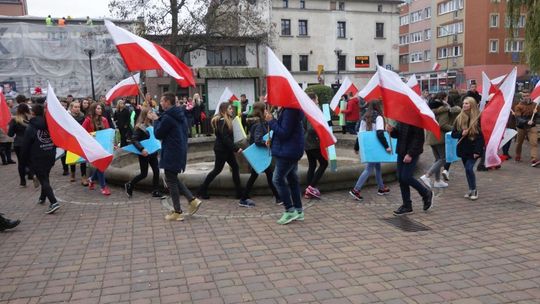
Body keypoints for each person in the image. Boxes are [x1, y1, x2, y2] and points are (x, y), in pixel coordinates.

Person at [148, 92, 201, 221]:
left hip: (172, 151)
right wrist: (159, 117)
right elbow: (167, 122)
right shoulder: (178, 114)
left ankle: (178, 211)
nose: (160, 103)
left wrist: (155, 120)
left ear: (167, 102)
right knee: (172, 178)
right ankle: (192, 200)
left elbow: (159, 134)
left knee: (171, 180)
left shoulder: (168, 118)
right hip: (179, 150)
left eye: (162, 101)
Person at [265, 105, 305, 225]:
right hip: (291, 150)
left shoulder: (289, 110)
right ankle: (298, 210)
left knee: (277, 179)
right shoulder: (289, 109)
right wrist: (272, 139)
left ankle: (289, 210)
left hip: (288, 152)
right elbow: (284, 130)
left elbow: (284, 132)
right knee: (292, 179)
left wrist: (271, 121)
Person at [197, 102, 243, 199]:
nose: (232, 110)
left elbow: (228, 139)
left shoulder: (226, 121)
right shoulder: (222, 122)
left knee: (235, 167)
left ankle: (239, 192)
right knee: (217, 170)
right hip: (221, 151)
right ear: (224, 110)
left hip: (226, 150)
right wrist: (236, 148)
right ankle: (202, 189)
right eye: (230, 109)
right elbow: (225, 139)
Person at [387, 121, 433, 216]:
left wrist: (410, 154)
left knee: (406, 177)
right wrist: (392, 131)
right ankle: (407, 205)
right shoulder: (402, 118)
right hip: (401, 151)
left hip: (411, 153)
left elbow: (419, 139)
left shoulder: (415, 120)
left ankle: (425, 193)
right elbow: (398, 134)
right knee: (400, 177)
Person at [239, 102, 281, 207]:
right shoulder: (258, 124)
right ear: (261, 111)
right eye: (265, 109)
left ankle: (278, 198)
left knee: (266, 175)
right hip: (259, 155)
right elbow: (257, 140)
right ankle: (243, 199)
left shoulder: (260, 122)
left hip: (259, 156)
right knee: (263, 175)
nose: (267, 111)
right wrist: (266, 143)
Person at [21, 104, 61, 214]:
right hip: (50, 154)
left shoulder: (31, 127)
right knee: (45, 176)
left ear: (33, 113)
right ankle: (43, 197)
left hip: (38, 157)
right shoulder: (49, 124)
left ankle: (54, 202)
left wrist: (23, 162)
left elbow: (25, 146)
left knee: (43, 179)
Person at [349, 100, 390, 201]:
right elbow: (380, 133)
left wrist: (356, 147)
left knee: (377, 167)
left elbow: (360, 134)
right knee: (369, 168)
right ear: (378, 107)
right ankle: (356, 189)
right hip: (376, 146)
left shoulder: (364, 117)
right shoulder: (379, 117)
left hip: (368, 147)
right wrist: (386, 146)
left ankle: (381, 188)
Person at [124, 108, 165, 199]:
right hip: (144, 153)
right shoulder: (140, 126)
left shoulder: (152, 124)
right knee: (144, 174)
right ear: (145, 115)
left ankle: (155, 191)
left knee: (156, 170)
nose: (152, 113)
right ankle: (130, 184)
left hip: (152, 152)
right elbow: (134, 139)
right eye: (150, 112)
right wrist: (142, 149)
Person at [451, 97, 483, 200]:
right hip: (463, 149)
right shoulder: (459, 118)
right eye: (464, 103)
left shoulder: (478, 119)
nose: (464, 105)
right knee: (467, 170)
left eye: (467, 103)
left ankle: (474, 190)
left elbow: (481, 137)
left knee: (469, 168)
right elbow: (453, 134)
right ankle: (470, 189)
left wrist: (477, 151)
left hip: (473, 149)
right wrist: (461, 133)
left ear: (472, 105)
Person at [420, 92, 453, 188]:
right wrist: (454, 129)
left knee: (438, 159)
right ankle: (427, 175)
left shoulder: (431, 109)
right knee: (444, 158)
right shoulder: (444, 109)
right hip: (439, 137)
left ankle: (437, 181)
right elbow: (443, 125)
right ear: (444, 98)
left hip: (431, 136)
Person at [82, 103, 111, 195]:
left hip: (103, 146)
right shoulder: (88, 120)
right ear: (93, 109)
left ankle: (91, 179)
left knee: (101, 165)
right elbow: (82, 132)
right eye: (98, 108)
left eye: (100, 109)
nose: (100, 110)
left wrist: (112, 143)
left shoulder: (104, 120)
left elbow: (108, 132)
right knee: (100, 165)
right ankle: (103, 187)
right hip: (93, 147)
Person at [303, 93, 328, 199]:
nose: (318, 100)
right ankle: (311, 187)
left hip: (307, 141)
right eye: (317, 98)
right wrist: (321, 127)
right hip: (312, 142)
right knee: (324, 163)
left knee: (312, 165)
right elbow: (311, 128)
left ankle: (308, 190)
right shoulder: (311, 111)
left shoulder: (306, 109)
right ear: (313, 99)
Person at [8, 103, 38, 188]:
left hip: (18, 144)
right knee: (30, 161)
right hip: (29, 143)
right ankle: (32, 175)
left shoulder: (14, 120)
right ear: (27, 110)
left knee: (21, 163)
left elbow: (10, 134)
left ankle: (22, 181)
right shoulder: (31, 120)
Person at [442, 89, 462, 181]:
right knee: (451, 153)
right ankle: (446, 169)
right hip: (453, 131)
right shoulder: (458, 110)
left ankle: (445, 169)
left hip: (444, 133)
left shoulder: (444, 110)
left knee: (445, 153)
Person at [514, 91, 539, 166]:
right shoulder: (518, 106)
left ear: (530, 96)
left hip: (532, 126)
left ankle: (534, 158)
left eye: (527, 95)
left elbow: (538, 116)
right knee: (519, 142)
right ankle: (518, 155)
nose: (526, 97)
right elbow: (518, 118)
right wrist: (526, 121)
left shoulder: (535, 105)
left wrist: (536, 112)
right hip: (521, 126)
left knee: (534, 142)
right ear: (522, 97)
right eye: (524, 96)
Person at [68, 101, 88, 185]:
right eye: (75, 107)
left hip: (81, 139)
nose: (77, 109)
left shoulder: (83, 116)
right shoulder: (67, 117)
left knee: (83, 158)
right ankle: (72, 173)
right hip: (71, 139)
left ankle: (83, 177)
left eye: (78, 107)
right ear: (71, 108)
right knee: (73, 157)